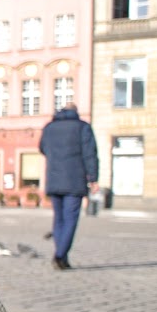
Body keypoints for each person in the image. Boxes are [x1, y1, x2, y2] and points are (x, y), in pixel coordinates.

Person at [38, 102, 97, 271]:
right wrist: (93, 178)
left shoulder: (49, 128)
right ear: (76, 112)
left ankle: (62, 257)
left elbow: (42, 148)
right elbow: (89, 153)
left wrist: (56, 157)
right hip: (74, 180)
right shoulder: (82, 127)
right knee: (70, 219)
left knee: (59, 218)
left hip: (54, 179)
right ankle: (59, 255)